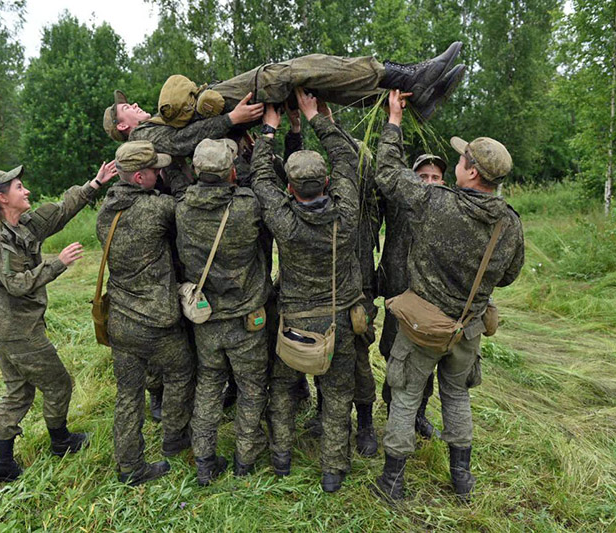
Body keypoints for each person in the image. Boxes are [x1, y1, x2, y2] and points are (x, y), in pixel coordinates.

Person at [372, 90, 524, 502]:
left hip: (422, 327)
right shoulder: (509, 224)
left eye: (460, 160)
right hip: (468, 327)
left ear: (472, 173)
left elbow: (387, 172)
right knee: (456, 396)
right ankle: (462, 477)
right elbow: (508, 276)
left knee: (404, 397)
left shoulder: (437, 204)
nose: (456, 164)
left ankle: (392, 480)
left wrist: (394, 121)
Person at [0, 161, 118, 483]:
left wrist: (95, 183)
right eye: (19, 188)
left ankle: (1, 465)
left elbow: (60, 211)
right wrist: (58, 264)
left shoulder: (22, 225)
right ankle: (61, 442)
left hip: (11, 329)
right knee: (59, 384)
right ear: (2, 199)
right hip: (18, 332)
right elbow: (16, 284)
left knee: (18, 393)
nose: (27, 191)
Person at [251, 88, 363, 493]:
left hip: (293, 321)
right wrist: (319, 119)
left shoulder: (283, 219)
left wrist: (269, 130)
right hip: (340, 320)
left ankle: (281, 457)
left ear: (291, 189)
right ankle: (333, 469)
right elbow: (348, 160)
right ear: (327, 183)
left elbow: (261, 175)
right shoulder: (347, 215)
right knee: (337, 394)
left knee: (281, 388)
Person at [103, 44, 467, 156]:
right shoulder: (140, 140)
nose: (133, 105)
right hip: (225, 119)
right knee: (284, 74)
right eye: (126, 109)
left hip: (221, 114)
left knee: (306, 87)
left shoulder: (151, 127)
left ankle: (407, 99)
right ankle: (402, 76)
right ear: (123, 126)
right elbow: (183, 142)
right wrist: (232, 120)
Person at [95, 141, 197, 486]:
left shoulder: (106, 212)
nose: (160, 172)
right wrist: (180, 174)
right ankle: (173, 438)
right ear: (139, 177)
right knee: (182, 370)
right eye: (155, 169)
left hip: (121, 321)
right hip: (156, 321)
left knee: (128, 394)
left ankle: (130, 467)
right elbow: (186, 206)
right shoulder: (155, 210)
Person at [173, 138, 273, 485]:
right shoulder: (246, 206)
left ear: (197, 172)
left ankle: (204, 460)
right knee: (251, 388)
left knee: (209, 385)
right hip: (247, 319)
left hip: (206, 318)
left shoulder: (182, 208)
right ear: (231, 171)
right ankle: (245, 458)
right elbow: (259, 182)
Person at [378, 153, 448, 440]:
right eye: (422, 177)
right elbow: (389, 172)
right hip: (399, 297)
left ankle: (417, 413)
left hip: (431, 302)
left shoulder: (448, 209)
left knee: (424, 359)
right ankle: (394, 411)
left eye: (435, 177)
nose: (429, 183)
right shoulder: (400, 203)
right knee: (393, 355)